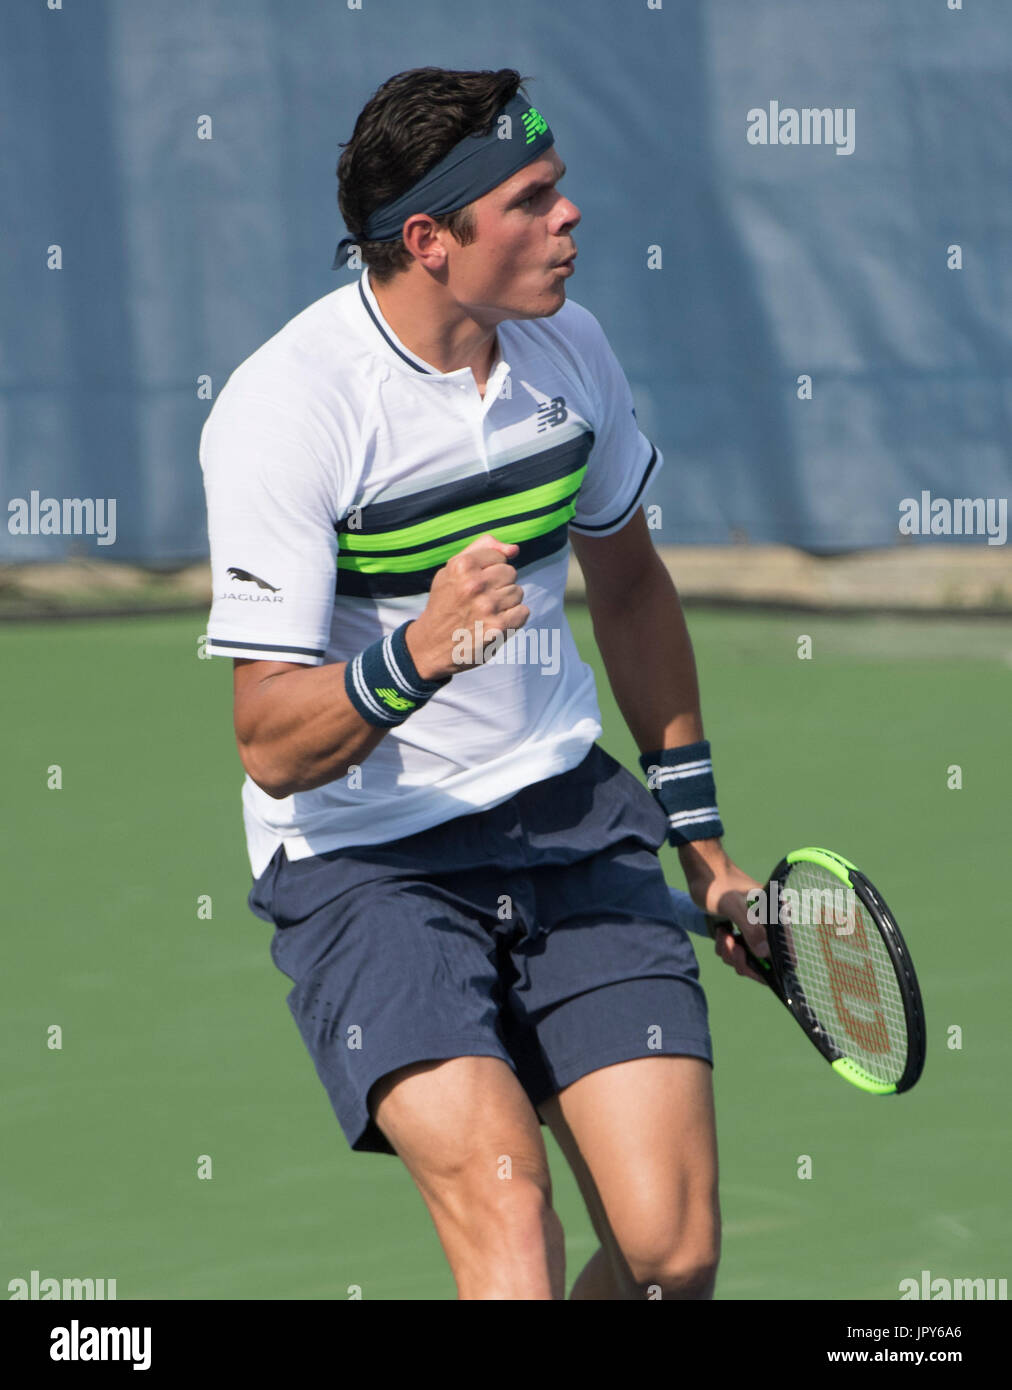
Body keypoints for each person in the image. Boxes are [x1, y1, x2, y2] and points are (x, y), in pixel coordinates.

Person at [199, 65, 768, 1301]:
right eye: (531, 200)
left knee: (670, 1258)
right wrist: (415, 654)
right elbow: (270, 745)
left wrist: (703, 844)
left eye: (558, 191)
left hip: (567, 821)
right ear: (429, 239)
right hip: (369, 864)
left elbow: (628, 585)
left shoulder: (573, 352)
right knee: (512, 1242)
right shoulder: (285, 411)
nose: (569, 219)